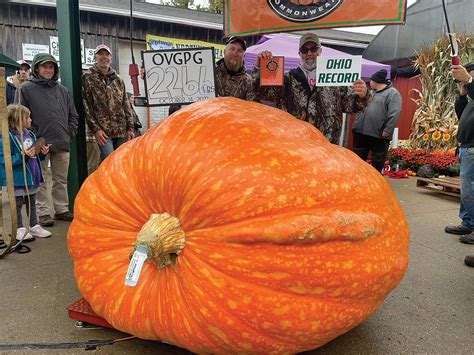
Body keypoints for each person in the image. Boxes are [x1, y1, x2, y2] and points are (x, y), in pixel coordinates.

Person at [254, 33, 370, 144]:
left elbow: (351, 105)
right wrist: (260, 68)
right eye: (305, 50)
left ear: (320, 51)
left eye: (313, 49)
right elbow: (261, 94)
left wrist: (363, 95)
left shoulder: (335, 79)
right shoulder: (287, 79)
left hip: (326, 148)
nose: (309, 53)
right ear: (299, 53)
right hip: (294, 145)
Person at [18, 53, 79, 227]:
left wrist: (69, 132)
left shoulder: (63, 90)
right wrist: (34, 137)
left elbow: (73, 115)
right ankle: (43, 212)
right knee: (41, 179)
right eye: (44, 66)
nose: (48, 70)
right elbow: (21, 116)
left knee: (61, 179)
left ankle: (61, 209)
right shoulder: (26, 89)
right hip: (39, 143)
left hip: (62, 141)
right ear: (37, 68)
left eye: (51, 67)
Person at [0, 105, 52, 241]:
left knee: (32, 202)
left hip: (32, 176)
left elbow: (33, 155)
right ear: (17, 119)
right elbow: (4, 159)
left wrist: (42, 153)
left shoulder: (31, 134)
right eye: (27, 117)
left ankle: (34, 225)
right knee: (17, 203)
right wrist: (23, 156)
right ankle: (19, 228)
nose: (30, 120)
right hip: (18, 178)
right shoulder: (6, 138)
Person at [82, 44, 135, 162]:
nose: (104, 57)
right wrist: (96, 129)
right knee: (110, 161)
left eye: (107, 55)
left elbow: (126, 104)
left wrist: (130, 128)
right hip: (103, 133)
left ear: (111, 58)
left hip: (121, 131)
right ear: (95, 57)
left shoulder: (118, 79)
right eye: (100, 54)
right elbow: (86, 106)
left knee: (121, 162)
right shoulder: (87, 77)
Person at [445, 62, 474, 267]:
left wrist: (470, 82)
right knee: (467, 189)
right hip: (466, 145)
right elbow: (461, 113)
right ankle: (468, 223)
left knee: (470, 189)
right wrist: (463, 95)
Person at [352, 69, 402, 173]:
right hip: (360, 132)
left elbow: (394, 113)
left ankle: (376, 182)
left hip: (378, 134)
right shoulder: (370, 92)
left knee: (377, 161)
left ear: (377, 81)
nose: (369, 82)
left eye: (371, 80)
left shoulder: (393, 93)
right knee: (357, 160)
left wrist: (387, 130)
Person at [216, 36, 256, 101]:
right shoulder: (211, 73)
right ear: (224, 51)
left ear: (244, 56)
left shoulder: (248, 82)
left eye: (240, 51)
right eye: (232, 49)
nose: (235, 53)